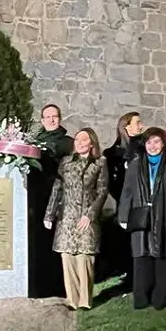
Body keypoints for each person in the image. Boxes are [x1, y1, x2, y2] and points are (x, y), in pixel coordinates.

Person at [117, 127, 166, 310]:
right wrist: (123, 216)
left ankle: (160, 297)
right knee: (141, 258)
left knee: (163, 258)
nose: (152, 146)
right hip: (141, 216)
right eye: (149, 142)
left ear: (163, 144)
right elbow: (126, 192)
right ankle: (141, 297)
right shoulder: (134, 166)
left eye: (156, 142)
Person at [44, 128, 109, 310]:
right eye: (77, 139)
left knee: (84, 257)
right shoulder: (65, 162)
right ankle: (71, 300)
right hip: (67, 218)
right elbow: (57, 189)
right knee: (68, 257)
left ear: (92, 143)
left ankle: (85, 301)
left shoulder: (100, 163)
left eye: (84, 139)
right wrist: (49, 214)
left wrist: (90, 215)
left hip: (86, 216)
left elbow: (102, 191)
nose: (80, 142)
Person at [28, 104, 74, 298]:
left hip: (58, 198)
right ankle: (37, 286)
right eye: (47, 117)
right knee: (38, 242)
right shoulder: (33, 142)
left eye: (55, 116)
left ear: (60, 119)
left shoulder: (67, 142)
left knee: (56, 242)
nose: (51, 120)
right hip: (37, 198)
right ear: (42, 120)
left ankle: (58, 287)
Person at [100, 112, 145, 284]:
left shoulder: (145, 149)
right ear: (126, 127)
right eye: (138, 122)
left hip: (143, 202)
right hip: (125, 204)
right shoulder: (112, 154)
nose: (141, 126)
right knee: (125, 240)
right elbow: (111, 182)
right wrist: (125, 199)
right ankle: (128, 273)